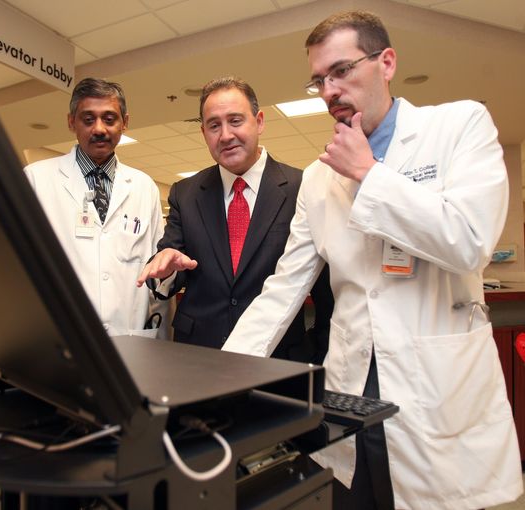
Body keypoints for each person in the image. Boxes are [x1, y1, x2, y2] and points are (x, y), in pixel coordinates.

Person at [222, 11, 523, 510]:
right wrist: (222, 372)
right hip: (354, 389)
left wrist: (370, 173)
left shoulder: (458, 125)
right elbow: (284, 287)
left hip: (437, 385)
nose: (329, 90)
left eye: (342, 71)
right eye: (319, 79)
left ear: (386, 63)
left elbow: (470, 241)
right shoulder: (319, 180)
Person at [137, 77, 333, 362]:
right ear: (204, 133)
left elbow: (325, 292)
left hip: (278, 358)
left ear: (260, 122)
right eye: (214, 125)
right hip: (198, 356)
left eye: (236, 121)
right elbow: (170, 264)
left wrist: (316, 356)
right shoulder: (186, 193)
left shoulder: (302, 187)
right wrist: (166, 270)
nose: (225, 135)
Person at [25, 77, 167, 339]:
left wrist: (162, 342)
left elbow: (158, 272)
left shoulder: (144, 187)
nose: (99, 128)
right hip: (58, 339)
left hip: (129, 337)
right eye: (88, 119)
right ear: (71, 122)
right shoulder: (35, 179)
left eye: (109, 119)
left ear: (125, 122)